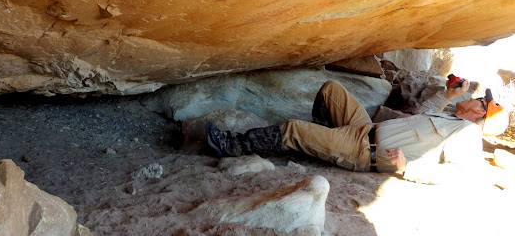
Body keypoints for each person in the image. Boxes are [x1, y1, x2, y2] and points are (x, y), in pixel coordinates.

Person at [206, 79, 510, 184]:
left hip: (363, 151)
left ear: (481, 110)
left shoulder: (466, 135)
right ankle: (322, 136)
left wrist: (409, 169)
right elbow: (421, 111)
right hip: (365, 128)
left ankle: (231, 147)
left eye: (479, 98)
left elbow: (457, 176)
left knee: (294, 129)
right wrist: (449, 93)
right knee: (332, 90)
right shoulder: (449, 116)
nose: (474, 95)